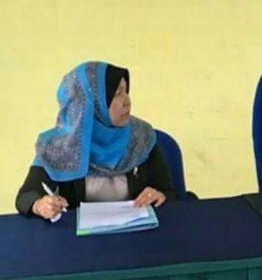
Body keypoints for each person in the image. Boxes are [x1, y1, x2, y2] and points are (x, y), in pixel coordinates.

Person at [16, 62, 177, 219]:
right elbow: (26, 196)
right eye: (117, 94)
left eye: (126, 91)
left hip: (137, 236)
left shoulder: (142, 137)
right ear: (89, 104)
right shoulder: (59, 145)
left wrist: (159, 195)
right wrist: (40, 205)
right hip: (80, 241)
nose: (127, 101)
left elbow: (169, 193)